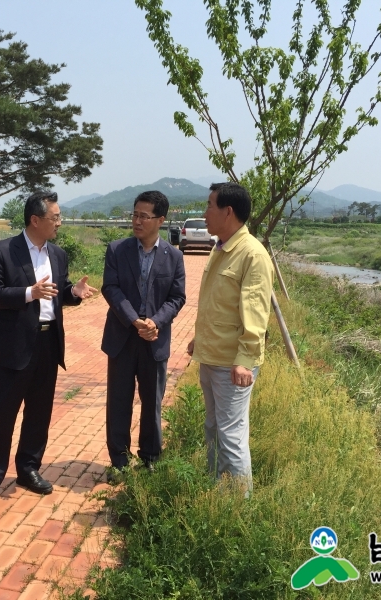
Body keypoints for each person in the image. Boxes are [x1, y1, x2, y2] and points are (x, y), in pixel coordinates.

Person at [0, 191, 97, 509]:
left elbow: (59, 292)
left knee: (39, 413)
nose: (59, 222)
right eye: (55, 217)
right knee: (2, 416)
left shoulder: (57, 255)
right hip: (13, 347)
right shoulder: (3, 251)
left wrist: (73, 292)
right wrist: (30, 292)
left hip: (47, 343)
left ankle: (28, 469)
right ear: (36, 220)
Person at [186, 182, 273, 495]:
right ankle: (216, 490)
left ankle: (238, 506)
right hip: (212, 356)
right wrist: (200, 338)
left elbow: (255, 311)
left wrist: (245, 360)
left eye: (210, 206)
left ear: (228, 211)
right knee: (213, 429)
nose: (205, 213)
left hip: (232, 365)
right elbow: (216, 303)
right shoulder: (221, 247)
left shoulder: (252, 255)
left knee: (232, 436)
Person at [101, 190, 185, 473]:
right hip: (123, 338)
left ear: (160, 219)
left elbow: (177, 297)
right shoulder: (117, 250)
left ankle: (150, 458)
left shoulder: (173, 256)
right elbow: (110, 288)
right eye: (134, 215)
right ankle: (119, 461)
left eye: (144, 216)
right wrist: (133, 320)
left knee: (153, 402)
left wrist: (155, 322)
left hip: (154, 340)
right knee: (119, 402)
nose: (137, 221)